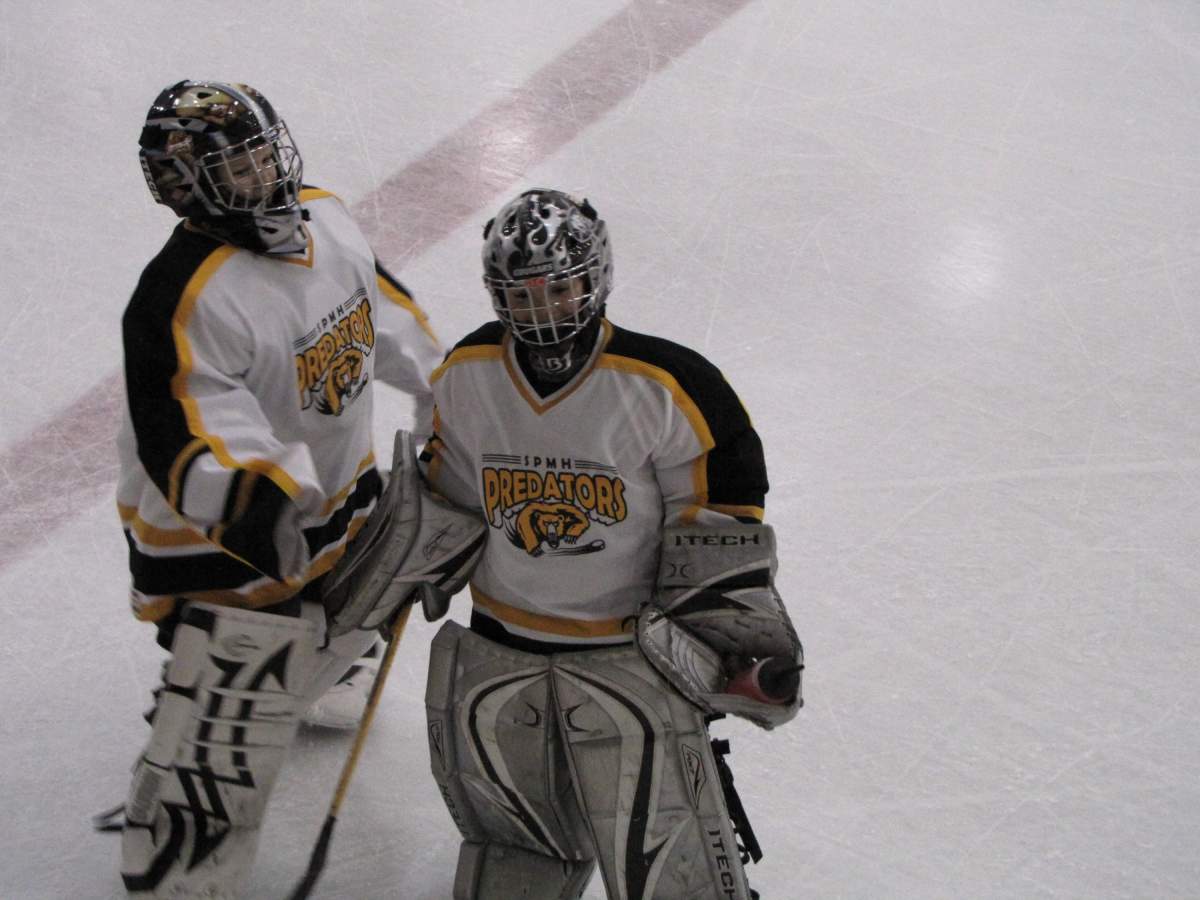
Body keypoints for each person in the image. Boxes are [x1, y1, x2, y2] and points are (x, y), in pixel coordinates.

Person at [419, 189, 804, 900]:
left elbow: (718, 530)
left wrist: (719, 644)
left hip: (628, 654)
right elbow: (446, 499)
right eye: (521, 294)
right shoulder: (468, 372)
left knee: (673, 862)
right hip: (502, 643)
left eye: (559, 288)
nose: (542, 310)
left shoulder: (670, 384)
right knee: (517, 839)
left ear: (596, 277)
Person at [115, 80, 441, 897]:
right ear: (186, 185)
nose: (269, 171)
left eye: (267, 151)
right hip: (215, 546)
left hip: (332, 501)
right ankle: (185, 824)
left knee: (350, 598)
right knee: (232, 711)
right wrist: (267, 505)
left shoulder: (324, 217)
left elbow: (386, 315)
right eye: (242, 163)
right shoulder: (178, 300)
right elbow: (191, 435)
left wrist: (450, 396)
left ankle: (318, 669)